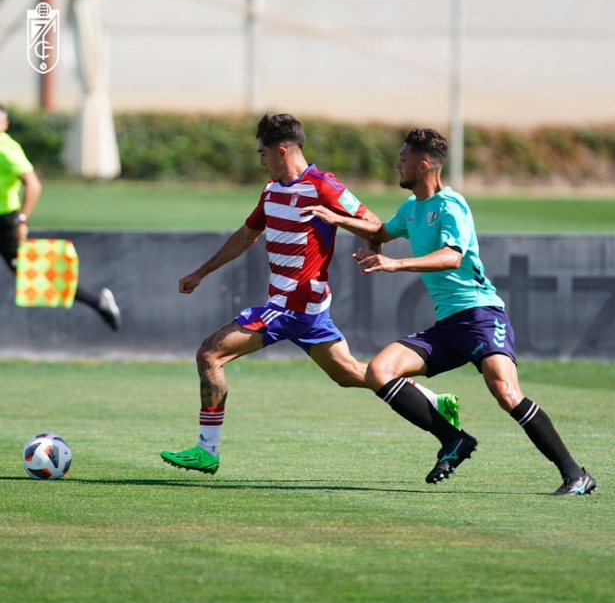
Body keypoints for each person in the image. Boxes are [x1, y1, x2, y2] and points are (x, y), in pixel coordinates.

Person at [301, 128, 595, 496]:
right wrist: (334, 218)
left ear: (424, 166)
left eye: (404, 159)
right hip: (449, 325)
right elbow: (379, 229)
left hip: (481, 315)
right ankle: (453, 440)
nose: (397, 163)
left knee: (505, 392)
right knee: (380, 371)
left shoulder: (451, 205)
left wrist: (395, 265)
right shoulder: (411, 208)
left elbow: (452, 256)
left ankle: (574, 473)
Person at [161, 114, 460, 475]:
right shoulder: (272, 190)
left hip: (293, 306)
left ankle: (206, 450)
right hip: (305, 311)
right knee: (350, 373)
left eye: (263, 153)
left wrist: (371, 250)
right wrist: (200, 272)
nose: (261, 161)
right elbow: (245, 236)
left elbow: (373, 221)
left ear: (283, 152)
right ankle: (434, 401)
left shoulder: (323, 185)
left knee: (210, 354)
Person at [0, 104, 120, 330]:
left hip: (5, 221)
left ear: (5, 125)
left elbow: (33, 185)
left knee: (36, 274)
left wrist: (21, 220)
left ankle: (99, 303)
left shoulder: (6, 150)